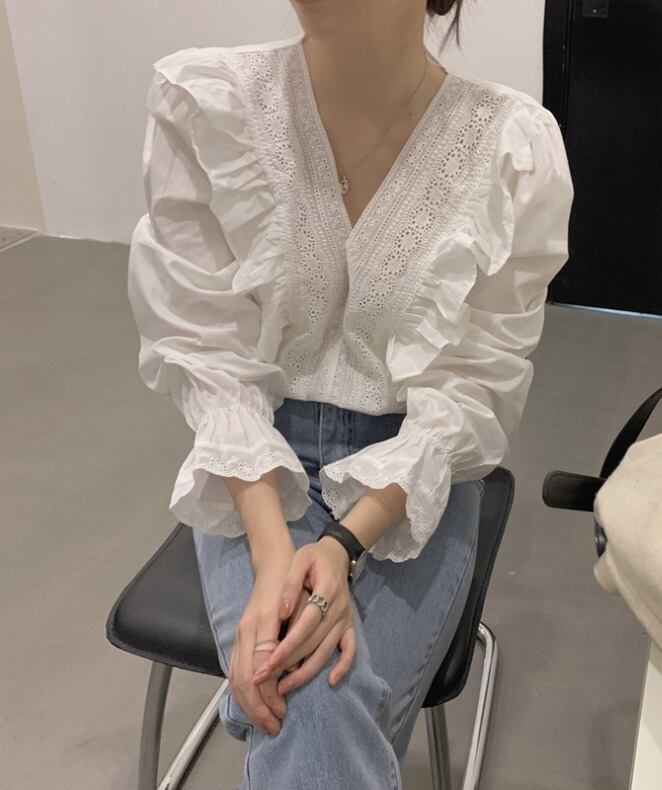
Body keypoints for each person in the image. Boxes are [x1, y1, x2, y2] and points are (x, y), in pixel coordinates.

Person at [126, 0, 574, 787]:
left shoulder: (512, 149)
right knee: (312, 696)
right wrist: (276, 553)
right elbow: (208, 350)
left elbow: (475, 386)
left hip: (413, 480)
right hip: (255, 464)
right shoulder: (211, 105)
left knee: (310, 696)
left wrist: (342, 544)